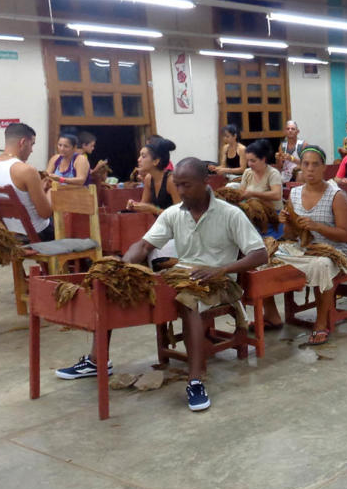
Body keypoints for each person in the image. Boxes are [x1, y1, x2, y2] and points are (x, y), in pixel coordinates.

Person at [55, 158, 268, 411]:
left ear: (205, 182)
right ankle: (96, 360)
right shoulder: (173, 214)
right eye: (178, 185)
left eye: (187, 185)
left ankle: (195, 380)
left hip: (220, 281)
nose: (181, 191)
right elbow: (144, 245)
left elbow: (260, 254)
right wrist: (121, 267)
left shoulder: (230, 214)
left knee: (188, 301)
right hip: (181, 276)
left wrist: (221, 269)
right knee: (113, 286)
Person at [260, 145, 347, 345]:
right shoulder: (294, 194)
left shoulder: (336, 196)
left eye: (315, 164)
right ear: (300, 166)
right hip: (303, 249)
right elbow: (290, 236)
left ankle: (321, 323)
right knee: (263, 257)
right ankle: (272, 315)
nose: (310, 169)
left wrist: (317, 227)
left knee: (322, 265)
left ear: (324, 168)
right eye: (306, 164)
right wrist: (287, 223)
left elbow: (346, 236)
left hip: (333, 251)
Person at [0, 122, 53, 241]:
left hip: (4, 233)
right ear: (23, 142)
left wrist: (39, 188)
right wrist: (50, 191)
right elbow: (45, 213)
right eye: (32, 144)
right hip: (34, 234)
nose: (32, 150)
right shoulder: (27, 170)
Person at [128, 136, 180, 215]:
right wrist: (134, 205)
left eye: (143, 156)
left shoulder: (171, 180)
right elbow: (144, 206)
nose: (139, 159)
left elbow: (180, 215)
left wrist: (152, 209)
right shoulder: (148, 178)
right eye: (140, 156)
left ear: (156, 161)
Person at [240, 140, 284, 213]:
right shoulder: (247, 172)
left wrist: (253, 194)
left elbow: (277, 195)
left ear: (263, 159)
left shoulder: (273, 173)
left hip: (272, 213)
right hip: (253, 210)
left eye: (253, 161)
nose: (249, 164)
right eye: (248, 161)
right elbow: (241, 192)